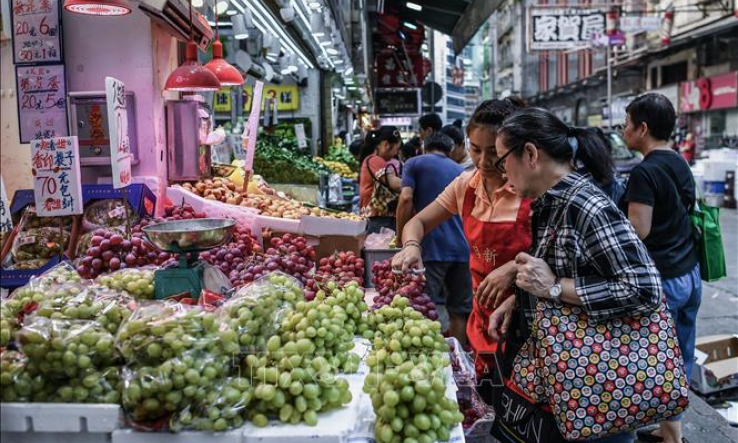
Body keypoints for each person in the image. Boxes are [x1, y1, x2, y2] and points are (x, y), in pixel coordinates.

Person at [492, 107, 663, 443]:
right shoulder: (553, 202)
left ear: (530, 153)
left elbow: (643, 289)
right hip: (568, 385)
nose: (501, 173)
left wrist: (554, 288)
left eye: (501, 161)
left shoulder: (585, 205)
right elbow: (567, 268)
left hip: (596, 390)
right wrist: (521, 298)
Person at [391, 97, 529, 383]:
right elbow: (417, 221)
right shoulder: (466, 185)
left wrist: (514, 270)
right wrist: (412, 246)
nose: (484, 161)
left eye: (494, 152)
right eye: (475, 149)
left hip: (527, 320)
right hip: (482, 318)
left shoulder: (530, 189)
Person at [619, 93, 700, 443]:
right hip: (689, 274)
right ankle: (671, 433)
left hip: (663, 278)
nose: (623, 130)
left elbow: (639, 230)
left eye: (626, 124)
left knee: (652, 362)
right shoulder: (680, 162)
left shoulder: (645, 171)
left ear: (642, 128)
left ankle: (670, 433)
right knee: (678, 355)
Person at [395, 132, 471, 343]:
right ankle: (458, 362)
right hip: (462, 249)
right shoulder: (461, 171)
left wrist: (402, 238)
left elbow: (406, 197)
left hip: (431, 247)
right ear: (450, 150)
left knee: (420, 307)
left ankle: (423, 356)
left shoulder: (414, 162)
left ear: (424, 147)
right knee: (459, 311)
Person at [359, 126, 403, 234]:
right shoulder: (375, 160)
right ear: (386, 145)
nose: (396, 153)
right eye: (396, 149)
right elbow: (394, 183)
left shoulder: (372, 160)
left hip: (375, 218)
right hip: (377, 219)